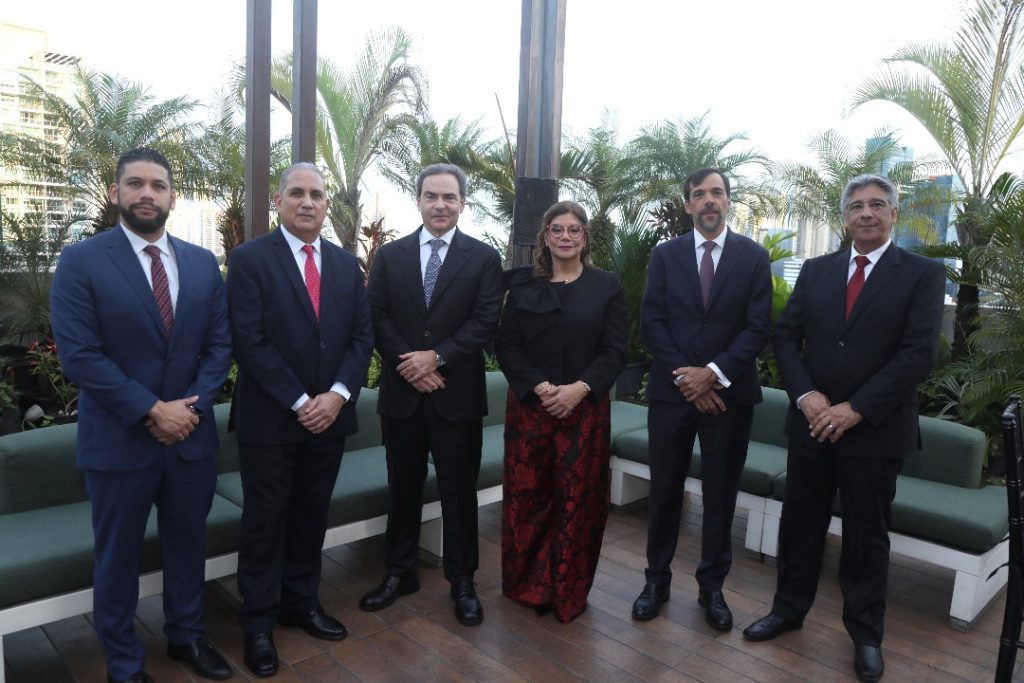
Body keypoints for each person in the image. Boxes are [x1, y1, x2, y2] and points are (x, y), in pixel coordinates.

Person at [743, 174, 945, 683]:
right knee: (800, 524)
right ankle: (788, 610)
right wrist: (807, 396)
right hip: (811, 424)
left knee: (865, 537)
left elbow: (919, 353)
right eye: (856, 206)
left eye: (877, 204)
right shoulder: (816, 270)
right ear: (845, 217)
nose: (866, 213)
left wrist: (855, 408)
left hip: (874, 430)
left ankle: (866, 635)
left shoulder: (922, 274)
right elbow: (785, 338)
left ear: (894, 214)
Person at [50, 147, 234, 683]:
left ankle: (187, 636)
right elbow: (80, 355)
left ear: (173, 196)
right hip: (119, 441)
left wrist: (190, 411)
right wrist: (152, 410)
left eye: (157, 185)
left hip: (190, 439)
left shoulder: (202, 263)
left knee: (188, 546)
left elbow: (219, 347)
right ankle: (124, 663)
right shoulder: (81, 261)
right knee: (118, 558)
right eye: (135, 184)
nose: (146, 193)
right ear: (116, 193)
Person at [227, 162, 373, 678]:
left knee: (311, 516)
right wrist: (299, 400)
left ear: (326, 204)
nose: (307, 202)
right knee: (265, 523)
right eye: (296, 193)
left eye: (316, 194)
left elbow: (361, 338)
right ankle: (258, 623)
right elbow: (249, 341)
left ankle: (301, 603)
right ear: (279, 200)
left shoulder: (346, 265)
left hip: (330, 418)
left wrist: (336, 396)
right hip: (270, 420)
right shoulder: (249, 260)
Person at [361, 163, 502, 626]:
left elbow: (484, 321)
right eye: (431, 196)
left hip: (455, 396)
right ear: (418, 200)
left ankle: (462, 580)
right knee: (402, 488)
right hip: (403, 395)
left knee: (459, 492)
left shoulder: (483, 258)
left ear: (463, 203)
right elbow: (376, 317)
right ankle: (399, 572)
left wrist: (437, 358)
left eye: (449, 197)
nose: (440, 205)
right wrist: (412, 365)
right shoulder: (390, 256)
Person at [632, 168, 772, 629]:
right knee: (664, 491)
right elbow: (652, 321)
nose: (709, 200)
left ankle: (712, 588)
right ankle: (656, 581)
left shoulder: (754, 257)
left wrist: (712, 375)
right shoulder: (665, 255)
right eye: (699, 194)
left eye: (717, 192)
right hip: (672, 395)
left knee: (720, 494)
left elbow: (758, 327)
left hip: (730, 397)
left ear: (728, 201)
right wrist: (687, 379)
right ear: (688, 204)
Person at [494, 201, 627, 623]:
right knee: (528, 498)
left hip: (584, 411)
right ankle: (531, 586)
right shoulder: (523, 287)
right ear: (545, 237)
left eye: (574, 229)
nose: (565, 236)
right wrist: (540, 386)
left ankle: (568, 590)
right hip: (530, 409)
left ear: (585, 237)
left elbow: (615, 350)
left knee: (577, 501)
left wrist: (579, 389)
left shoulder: (606, 286)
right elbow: (506, 344)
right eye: (557, 229)